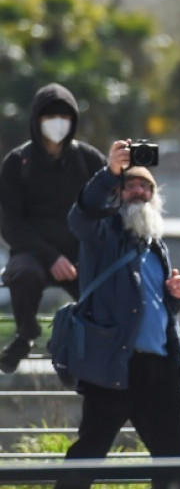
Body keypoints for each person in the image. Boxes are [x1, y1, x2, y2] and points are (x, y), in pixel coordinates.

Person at [44, 142, 180, 489]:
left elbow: (151, 311)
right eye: (131, 186)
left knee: (174, 466)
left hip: (158, 371)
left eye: (147, 188)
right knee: (86, 458)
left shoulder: (157, 246)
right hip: (113, 367)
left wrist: (175, 297)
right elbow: (80, 215)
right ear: (118, 193)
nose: (140, 192)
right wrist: (110, 170)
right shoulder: (101, 233)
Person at [0, 83, 106, 374]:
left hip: (80, 253)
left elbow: (109, 205)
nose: (57, 123)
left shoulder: (89, 159)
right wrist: (50, 257)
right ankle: (25, 335)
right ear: (36, 120)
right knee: (22, 275)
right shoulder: (16, 163)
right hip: (33, 253)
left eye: (64, 116)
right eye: (49, 116)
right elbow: (10, 223)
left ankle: (90, 353)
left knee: (105, 285)